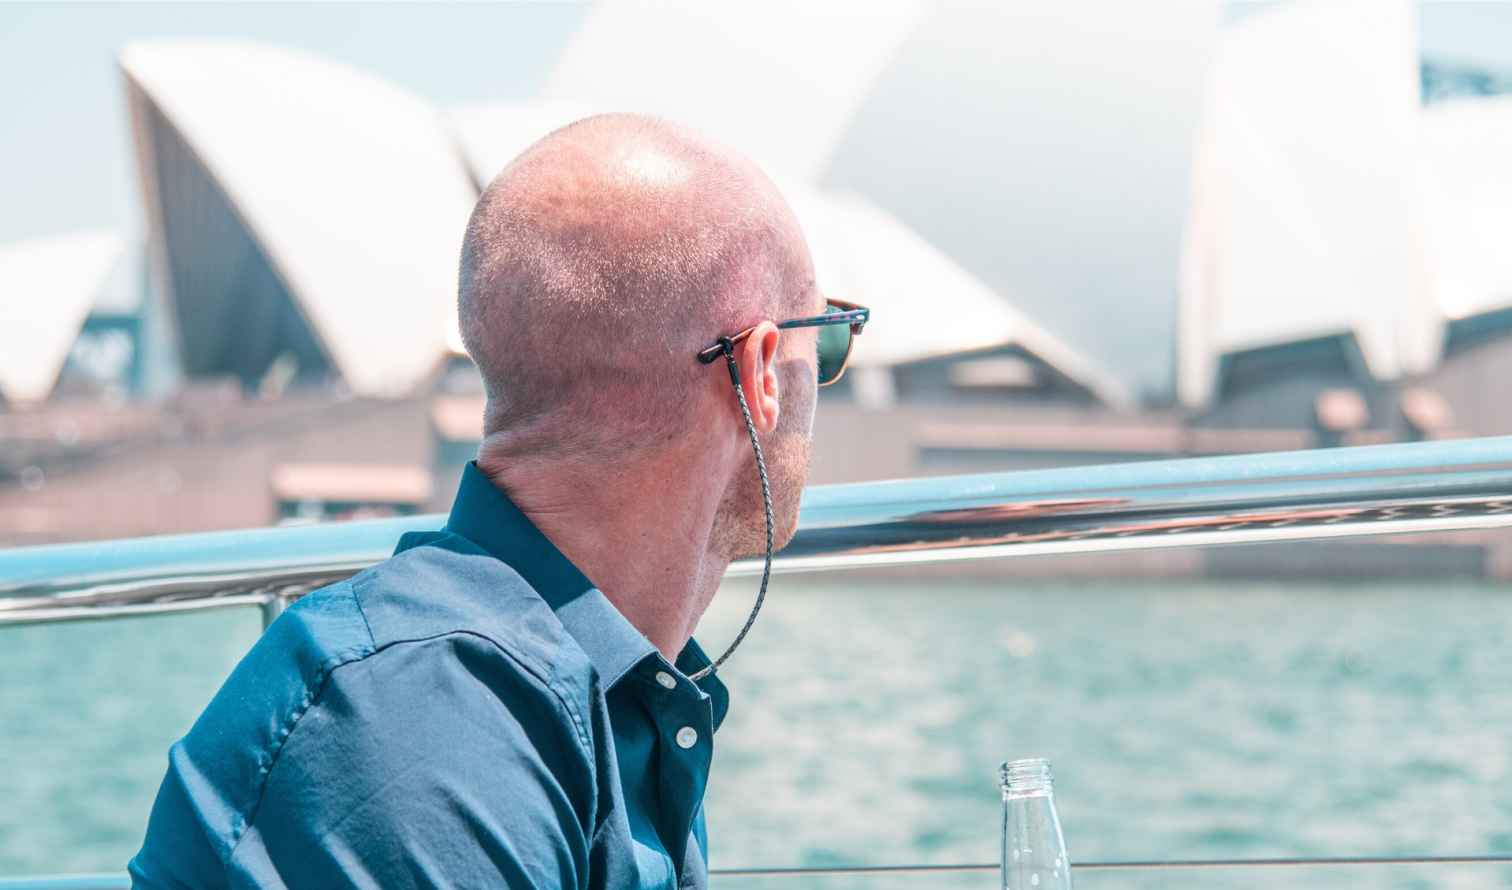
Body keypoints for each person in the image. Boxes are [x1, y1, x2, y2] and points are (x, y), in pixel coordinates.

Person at [127, 113, 869, 889]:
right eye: (822, 338)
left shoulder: (587, 689)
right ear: (758, 373)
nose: (823, 371)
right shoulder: (420, 728)